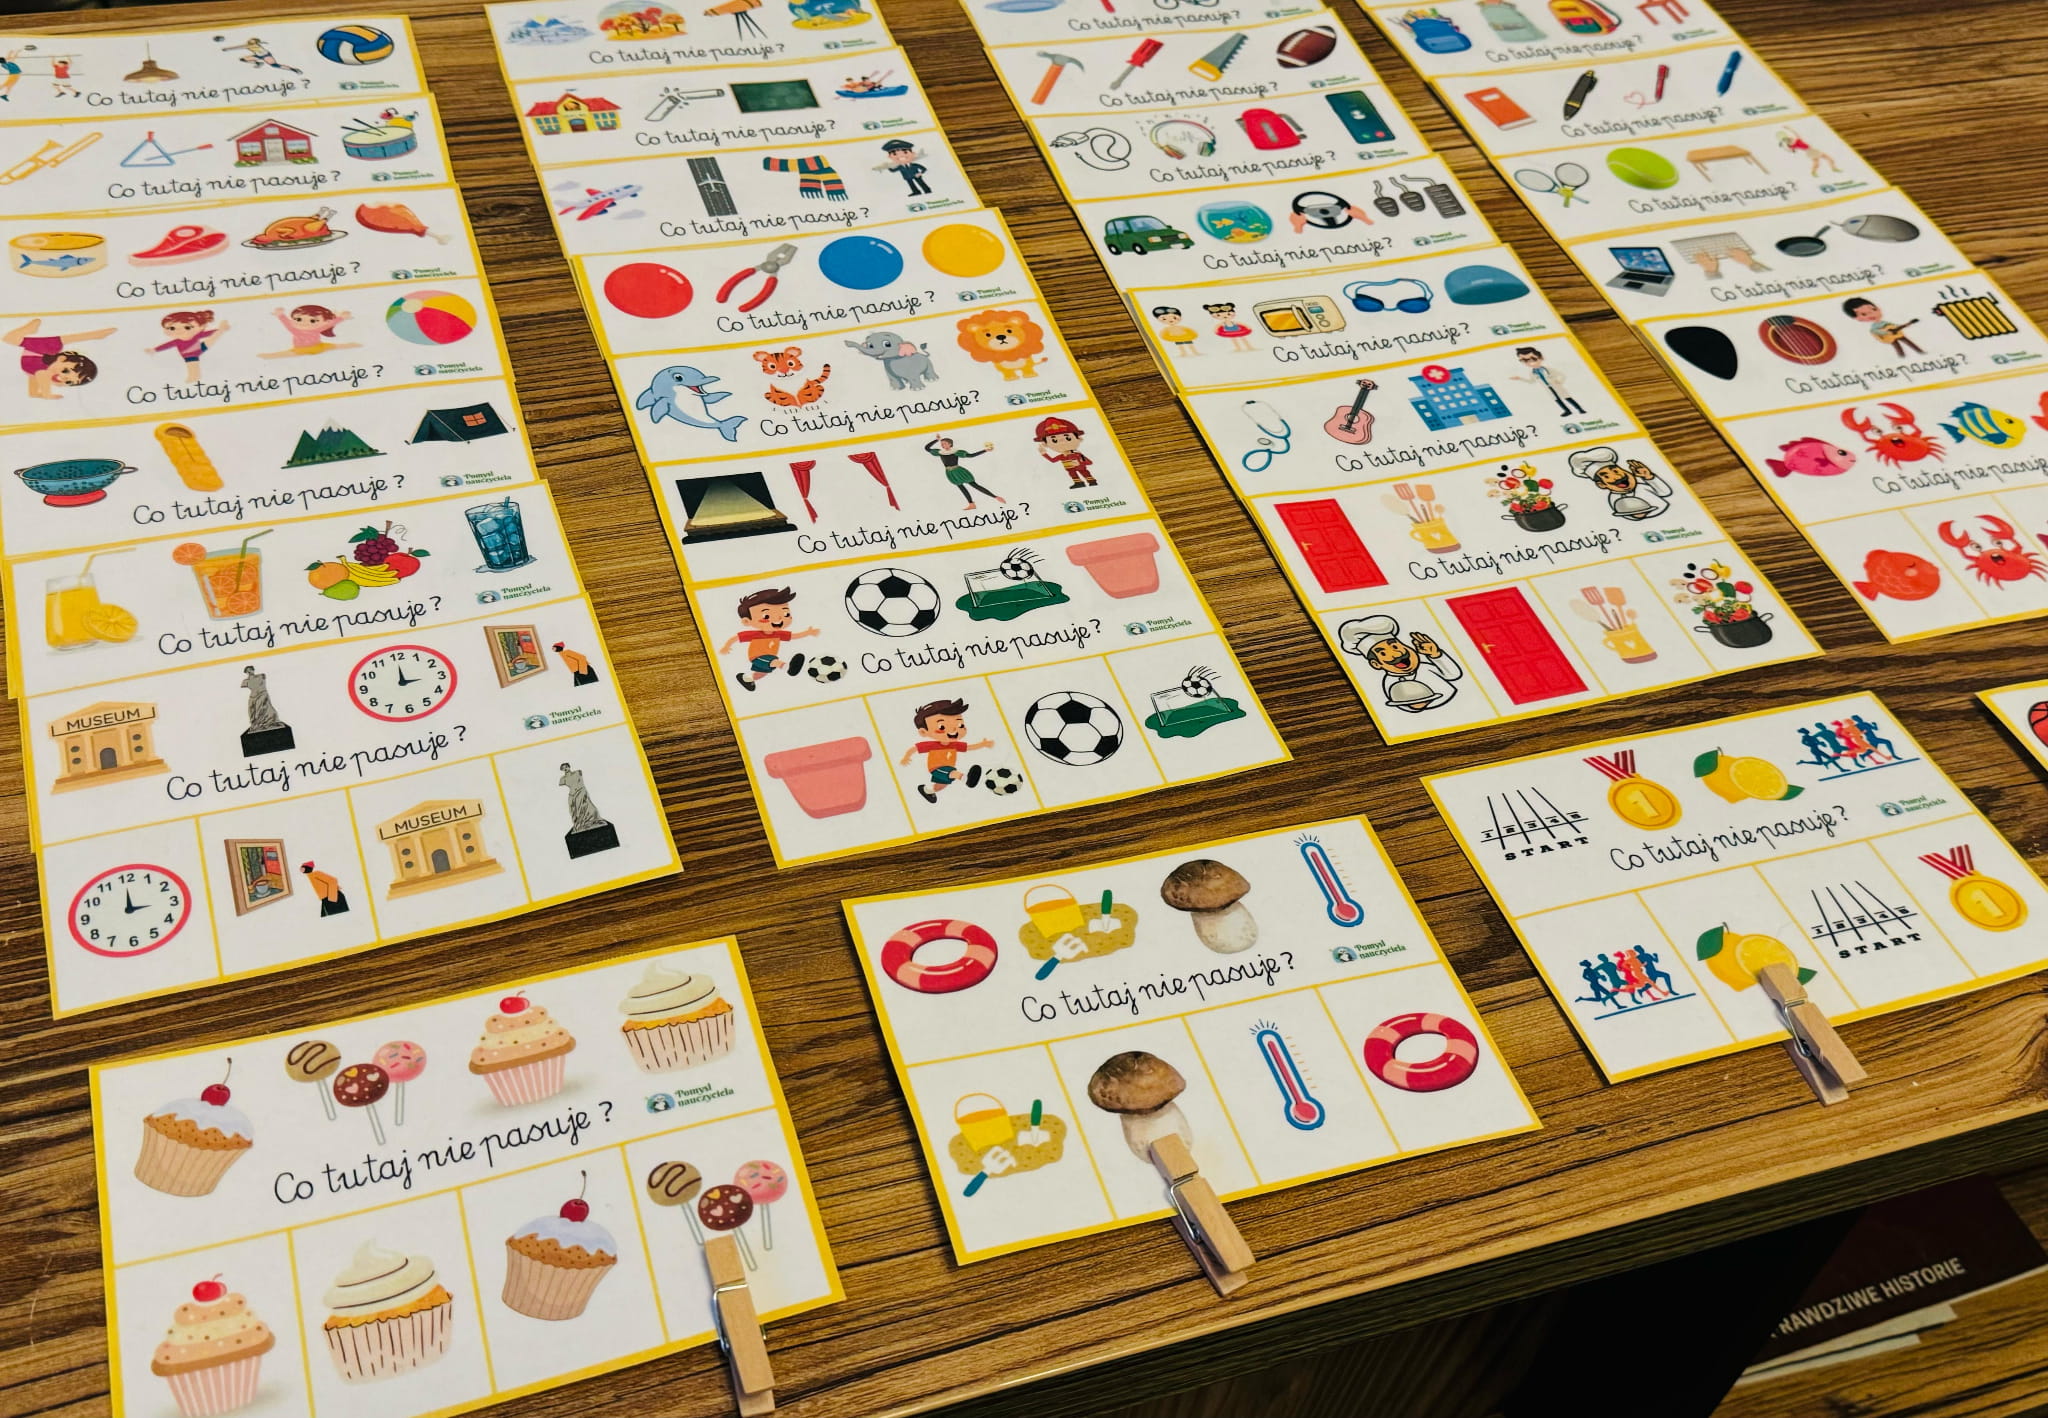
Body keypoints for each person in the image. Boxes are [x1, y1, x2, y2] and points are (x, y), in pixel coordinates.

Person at [718, 586, 816, 692]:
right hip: (758, 656)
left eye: (786, 614)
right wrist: (726, 646)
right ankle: (787, 667)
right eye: (766, 616)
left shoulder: (778, 634)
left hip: (768, 657)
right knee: (774, 661)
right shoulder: (754, 634)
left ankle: (747, 679)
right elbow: (737, 637)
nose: (778, 618)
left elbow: (793, 636)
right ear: (747, 621)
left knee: (763, 672)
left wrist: (808, 632)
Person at [899, 697, 992, 803]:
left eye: (960, 725)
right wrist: (906, 757)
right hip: (936, 768)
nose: (953, 730)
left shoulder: (954, 745)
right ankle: (965, 778)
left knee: (942, 785)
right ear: (924, 732)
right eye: (942, 727)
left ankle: (927, 790)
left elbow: (968, 747)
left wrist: (983, 744)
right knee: (952, 772)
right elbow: (915, 748)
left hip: (948, 767)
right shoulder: (932, 745)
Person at [6, 317, 111, 399]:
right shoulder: (44, 371)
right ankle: (96, 335)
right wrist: (47, 394)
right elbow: (41, 375)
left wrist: (34, 393)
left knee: (33, 374)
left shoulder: (42, 371)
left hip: (32, 360)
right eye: (65, 371)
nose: (61, 377)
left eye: (68, 381)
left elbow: (34, 377)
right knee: (9, 338)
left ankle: (97, 335)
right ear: (61, 359)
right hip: (39, 351)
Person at [923, 434, 1005, 507]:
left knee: (974, 485)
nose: (942, 445)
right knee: (961, 488)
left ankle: (996, 497)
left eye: (944, 443)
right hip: (950, 473)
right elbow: (927, 448)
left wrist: (985, 450)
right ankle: (971, 504)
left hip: (959, 471)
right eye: (941, 444)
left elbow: (971, 455)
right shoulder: (940, 452)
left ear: (950, 444)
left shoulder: (956, 452)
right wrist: (936, 440)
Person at [149, 310, 227, 384]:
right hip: (192, 352)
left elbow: (207, 333)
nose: (179, 331)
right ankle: (194, 378)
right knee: (193, 367)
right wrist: (155, 349)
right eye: (172, 328)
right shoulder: (177, 341)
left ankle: (194, 378)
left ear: (201, 327)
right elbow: (166, 345)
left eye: (187, 327)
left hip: (194, 352)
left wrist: (217, 330)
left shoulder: (195, 336)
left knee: (193, 366)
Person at [1510, 346, 1585, 416]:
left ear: (1541, 358)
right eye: (1525, 361)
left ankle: (1580, 409)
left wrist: (1559, 381)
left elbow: (1562, 375)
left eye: (1533, 359)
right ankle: (1567, 411)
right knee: (1557, 400)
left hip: (1556, 386)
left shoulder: (1548, 369)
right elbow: (1531, 381)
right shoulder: (1532, 372)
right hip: (1548, 388)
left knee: (1567, 398)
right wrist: (1520, 378)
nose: (1530, 363)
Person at [262, 304, 356, 358]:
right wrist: (280, 315)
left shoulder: (317, 329)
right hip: (301, 349)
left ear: (323, 322)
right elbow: (286, 322)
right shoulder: (295, 330)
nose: (304, 323)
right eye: (298, 319)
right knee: (286, 354)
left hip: (318, 346)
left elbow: (329, 324)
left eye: (313, 321)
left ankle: (351, 345)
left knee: (335, 346)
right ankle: (270, 355)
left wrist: (341, 317)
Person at [1032, 415, 1095, 489]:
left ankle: (1092, 481)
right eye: (1054, 440)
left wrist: (1080, 463)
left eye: (1068, 438)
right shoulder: (1062, 456)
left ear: (1079, 439)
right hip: (1070, 469)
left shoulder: (1078, 454)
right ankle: (1078, 483)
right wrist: (1044, 453)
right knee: (1072, 474)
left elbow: (1089, 462)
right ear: (1045, 444)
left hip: (1081, 468)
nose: (1062, 442)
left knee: (1084, 472)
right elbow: (1053, 460)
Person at [1844, 296, 1922, 357]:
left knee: (1909, 343)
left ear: (1879, 309)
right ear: (1858, 318)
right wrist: (1886, 332)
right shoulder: (1874, 327)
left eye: (1874, 309)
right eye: (1864, 314)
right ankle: (1902, 357)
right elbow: (1876, 331)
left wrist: (1907, 324)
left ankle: (1920, 352)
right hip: (1889, 337)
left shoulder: (1886, 323)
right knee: (1898, 348)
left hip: (1897, 335)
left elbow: (1895, 326)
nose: (1872, 314)